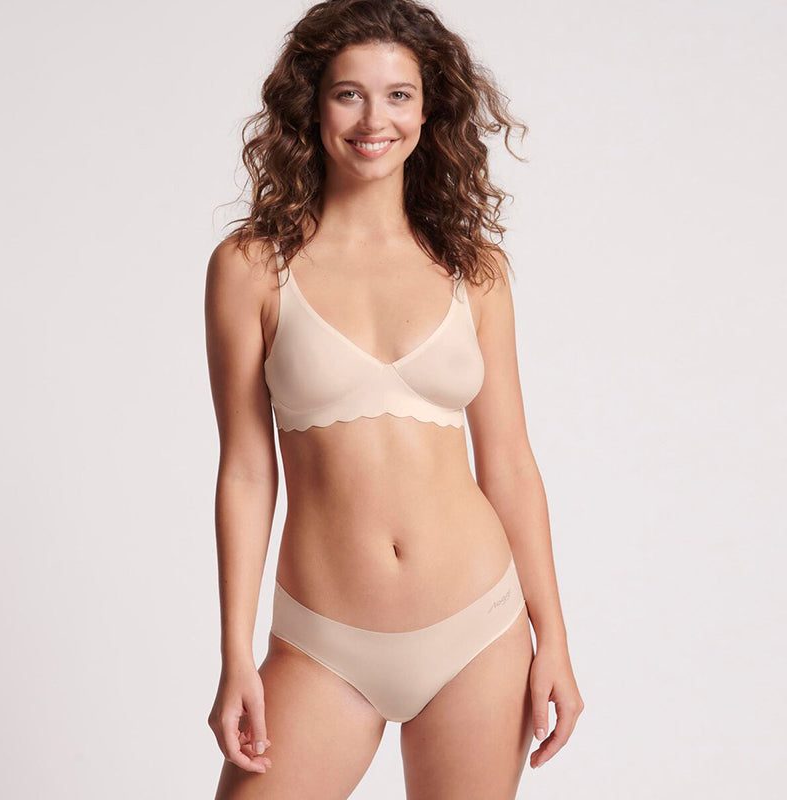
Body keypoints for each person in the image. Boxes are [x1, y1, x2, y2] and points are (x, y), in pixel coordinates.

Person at [204, 1, 583, 797]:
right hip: (322, 642)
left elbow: (510, 464)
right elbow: (245, 470)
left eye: (399, 95)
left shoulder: (474, 269)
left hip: (481, 630)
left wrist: (553, 637)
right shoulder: (251, 268)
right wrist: (236, 654)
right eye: (349, 94)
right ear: (312, 106)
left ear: (428, 109)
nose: (374, 120)